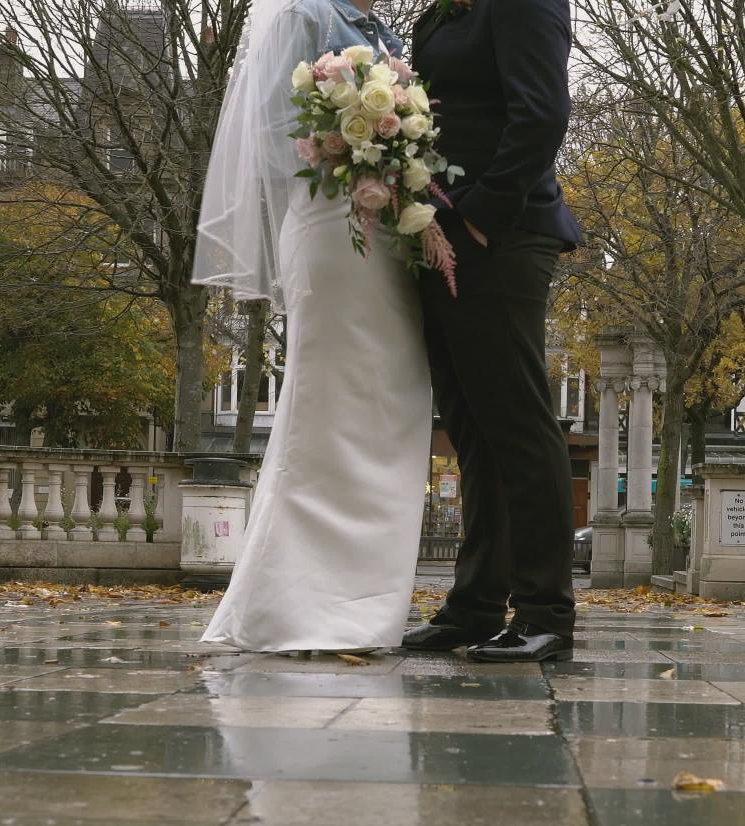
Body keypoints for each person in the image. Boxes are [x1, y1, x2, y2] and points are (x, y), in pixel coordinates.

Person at [192, 0, 428, 653]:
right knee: (328, 403)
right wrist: (342, 150)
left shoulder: (382, 32)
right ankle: (301, 606)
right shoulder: (301, 12)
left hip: (383, 236)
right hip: (330, 224)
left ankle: (366, 595)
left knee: (391, 402)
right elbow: (270, 128)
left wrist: (396, 156)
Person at [400, 0, 582, 663]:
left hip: (498, 233)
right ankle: (475, 607)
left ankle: (546, 615)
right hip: (437, 232)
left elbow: (543, 114)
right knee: (473, 428)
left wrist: (480, 216)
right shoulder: (440, 12)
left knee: (519, 426)